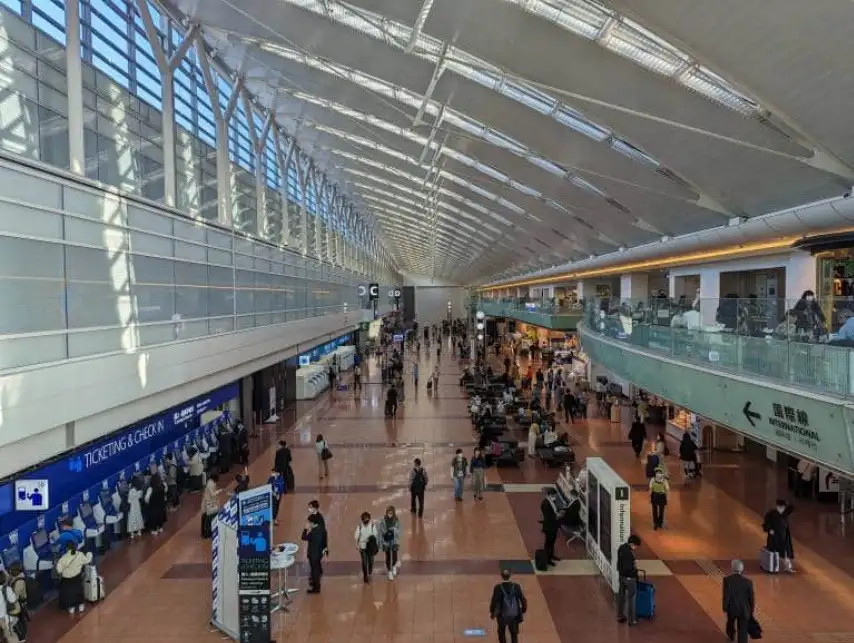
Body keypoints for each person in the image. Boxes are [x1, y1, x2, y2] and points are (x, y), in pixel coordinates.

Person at [489, 569, 527, 643]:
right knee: (514, 633)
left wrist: (492, 611)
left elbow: (494, 601)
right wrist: (523, 609)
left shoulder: (498, 588)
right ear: (510, 575)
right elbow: (522, 599)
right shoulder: (516, 586)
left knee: (501, 632)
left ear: (501, 576)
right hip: (514, 614)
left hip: (502, 615)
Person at [722, 559, 755, 643]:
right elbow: (751, 598)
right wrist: (751, 610)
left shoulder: (727, 580)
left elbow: (726, 595)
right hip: (744, 609)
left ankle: (731, 635)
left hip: (732, 608)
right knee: (743, 629)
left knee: (730, 622)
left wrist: (725, 607)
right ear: (742, 569)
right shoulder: (748, 582)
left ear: (732, 568)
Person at [55, 541, 92, 615]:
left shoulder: (63, 558)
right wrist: (89, 554)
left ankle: (71, 608)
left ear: (66, 548)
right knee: (78, 590)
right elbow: (87, 560)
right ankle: (81, 606)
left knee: (68, 593)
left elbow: (59, 570)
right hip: (77, 577)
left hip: (67, 579)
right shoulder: (80, 555)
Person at [762, 499, 795, 573]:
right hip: (774, 537)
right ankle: (773, 567)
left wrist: (787, 503)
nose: (781, 509)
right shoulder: (772, 513)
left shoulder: (785, 513)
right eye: (780, 507)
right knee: (774, 552)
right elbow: (765, 523)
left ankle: (787, 567)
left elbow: (792, 508)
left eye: (783, 507)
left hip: (784, 537)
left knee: (785, 553)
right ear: (777, 507)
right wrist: (769, 529)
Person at [616, 534, 641, 625]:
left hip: (621, 576)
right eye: (636, 546)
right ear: (632, 544)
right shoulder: (629, 554)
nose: (635, 548)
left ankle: (620, 616)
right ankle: (632, 620)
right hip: (630, 579)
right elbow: (628, 568)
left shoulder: (621, 548)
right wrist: (635, 566)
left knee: (621, 597)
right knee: (632, 598)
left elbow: (619, 564)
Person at [301, 514, 325, 594]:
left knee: (314, 570)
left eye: (309, 522)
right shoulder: (321, 529)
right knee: (316, 569)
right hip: (319, 553)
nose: (308, 524)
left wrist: (305, 529)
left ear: (312, 523)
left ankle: (316, 588)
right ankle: (315, 584)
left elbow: (303, 537)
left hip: (313, 554)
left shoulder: (312, 532)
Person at [6, 563, 28, 642]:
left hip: (18, 604)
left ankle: (22, 636)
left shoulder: (19, 581)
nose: (9, 571)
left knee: (19, 621)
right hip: (18, 603)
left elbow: (15, 597)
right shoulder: (16, 577)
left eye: (11, 570)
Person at [354, 511, 379, 583]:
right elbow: (356, 536)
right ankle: (365, 575)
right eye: (364, 519)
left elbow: (375, 535)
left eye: (367, 519)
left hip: (370, 547)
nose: (366, 521)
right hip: (362, 547)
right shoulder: (360, 526)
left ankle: (370, 572)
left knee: (370, 560)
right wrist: (357, 545)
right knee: (364, 561)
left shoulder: (372, 526)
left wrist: (370, 539)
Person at [379, 506, 402, 581]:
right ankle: (389, 572)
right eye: (388, 513)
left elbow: (398, 531)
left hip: (394, 541)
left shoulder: (396, 520)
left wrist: (394, 530)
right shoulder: (383, 520)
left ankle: (394, 566)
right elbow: (382, 530)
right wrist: (386, 533)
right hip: (386, 541)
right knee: (388, 557)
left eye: (391, 513)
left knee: (395, 555)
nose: (390, 514)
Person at [540, 488, 562, 566]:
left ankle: (552, 555)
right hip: (549, 527)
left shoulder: (552, 501)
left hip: (554, 526)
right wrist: (557, 516)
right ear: (549, 495)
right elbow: (548, 516)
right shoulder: (545, 503)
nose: (555, 497)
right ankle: (548, 559)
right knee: (548, 543)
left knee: (552, 542)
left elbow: (554, 510)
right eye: (553, 495)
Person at [0, 571, 20, 641]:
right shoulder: (6, 589)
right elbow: (13, 599)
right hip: (4, 617)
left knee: (4, 632)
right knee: (10, 633)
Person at [201, 473, 221, 539]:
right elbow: (212, 494)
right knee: (206, 519)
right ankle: (205, 534)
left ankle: (206, 533)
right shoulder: (210, 484)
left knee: (208, 518)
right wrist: (219, 491)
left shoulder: (212, 482)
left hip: (210, 503)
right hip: (207, 504)